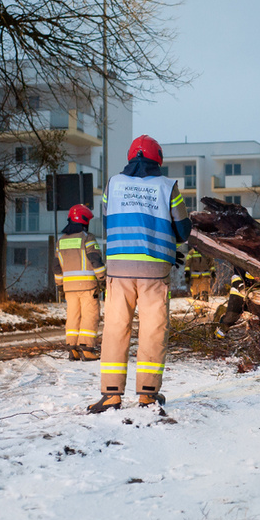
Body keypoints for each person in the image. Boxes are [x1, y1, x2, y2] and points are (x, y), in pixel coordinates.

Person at [88, 135, 192, 414]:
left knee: (115, 330)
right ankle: (147, 394)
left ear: (130, 157)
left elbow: (110, 218)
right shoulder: (168, 187)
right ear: (158, 158)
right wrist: (168, 246)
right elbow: (183, 229)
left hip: (119, 270)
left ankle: (110, 395)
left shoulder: (112, 184)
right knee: (153, 331)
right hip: (155, 272)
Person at [54, 204, 106, 361]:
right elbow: (95, 260)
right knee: (90, 316)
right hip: (88, 286)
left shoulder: (60, 241)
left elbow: (57, 267)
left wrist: (59, 286)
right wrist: (103, 279)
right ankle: (87, 348)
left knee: (73, 316)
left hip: (69, 287)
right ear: (84, 221)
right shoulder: (87, 238)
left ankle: (73, 348)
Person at [214, 267, 260, 339]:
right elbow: (235, 278)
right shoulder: (242, 260)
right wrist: (244, 290)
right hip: (239, 292)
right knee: (230, 317)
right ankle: (218, 337)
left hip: (258, 294)